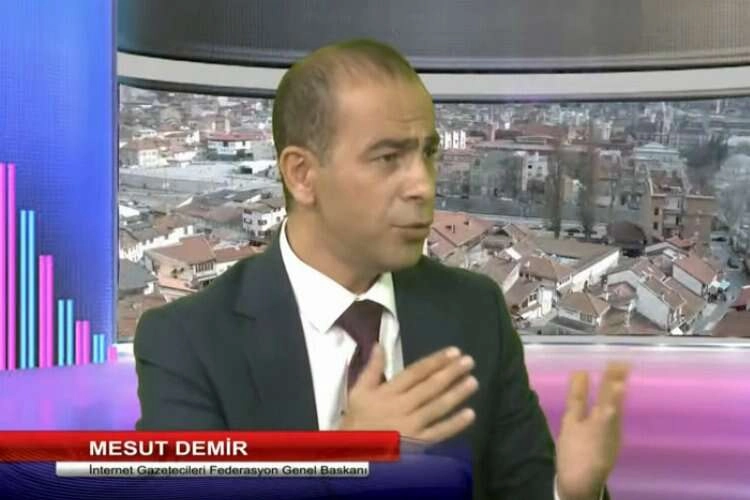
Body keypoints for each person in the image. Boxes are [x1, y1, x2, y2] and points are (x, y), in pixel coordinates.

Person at [134, 39, 629, 500]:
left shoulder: (475, 312)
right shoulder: (187, 342)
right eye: (389, 157)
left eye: (428, 154)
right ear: (302, 175)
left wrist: (572, 493)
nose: (423, 185)